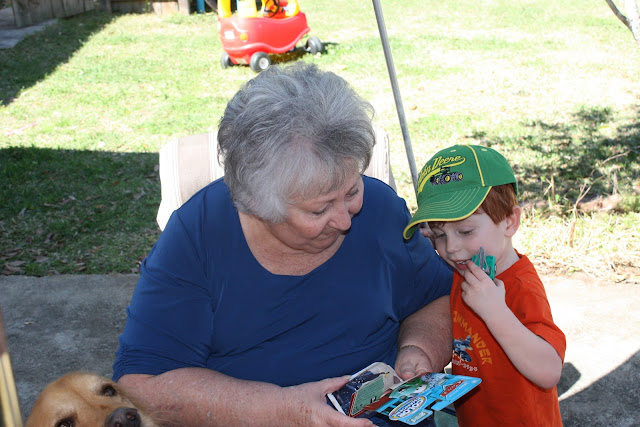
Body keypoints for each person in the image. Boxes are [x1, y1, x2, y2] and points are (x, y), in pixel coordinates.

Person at [112, 62, 454, 426]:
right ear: (259, 207)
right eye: (319, 209)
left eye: (352, 190)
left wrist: (419, 349)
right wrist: (284, 410)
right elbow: (143, 385)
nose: (345, 219)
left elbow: (434, 298)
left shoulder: (381, 209)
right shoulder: (198, 237)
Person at [403, 144, 567, 426]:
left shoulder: (520, 287)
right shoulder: (465, 270)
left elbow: (549, 371)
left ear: (510, 222)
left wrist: (495, 312)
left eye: (465, 231)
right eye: (439, 235)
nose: (451, 248)